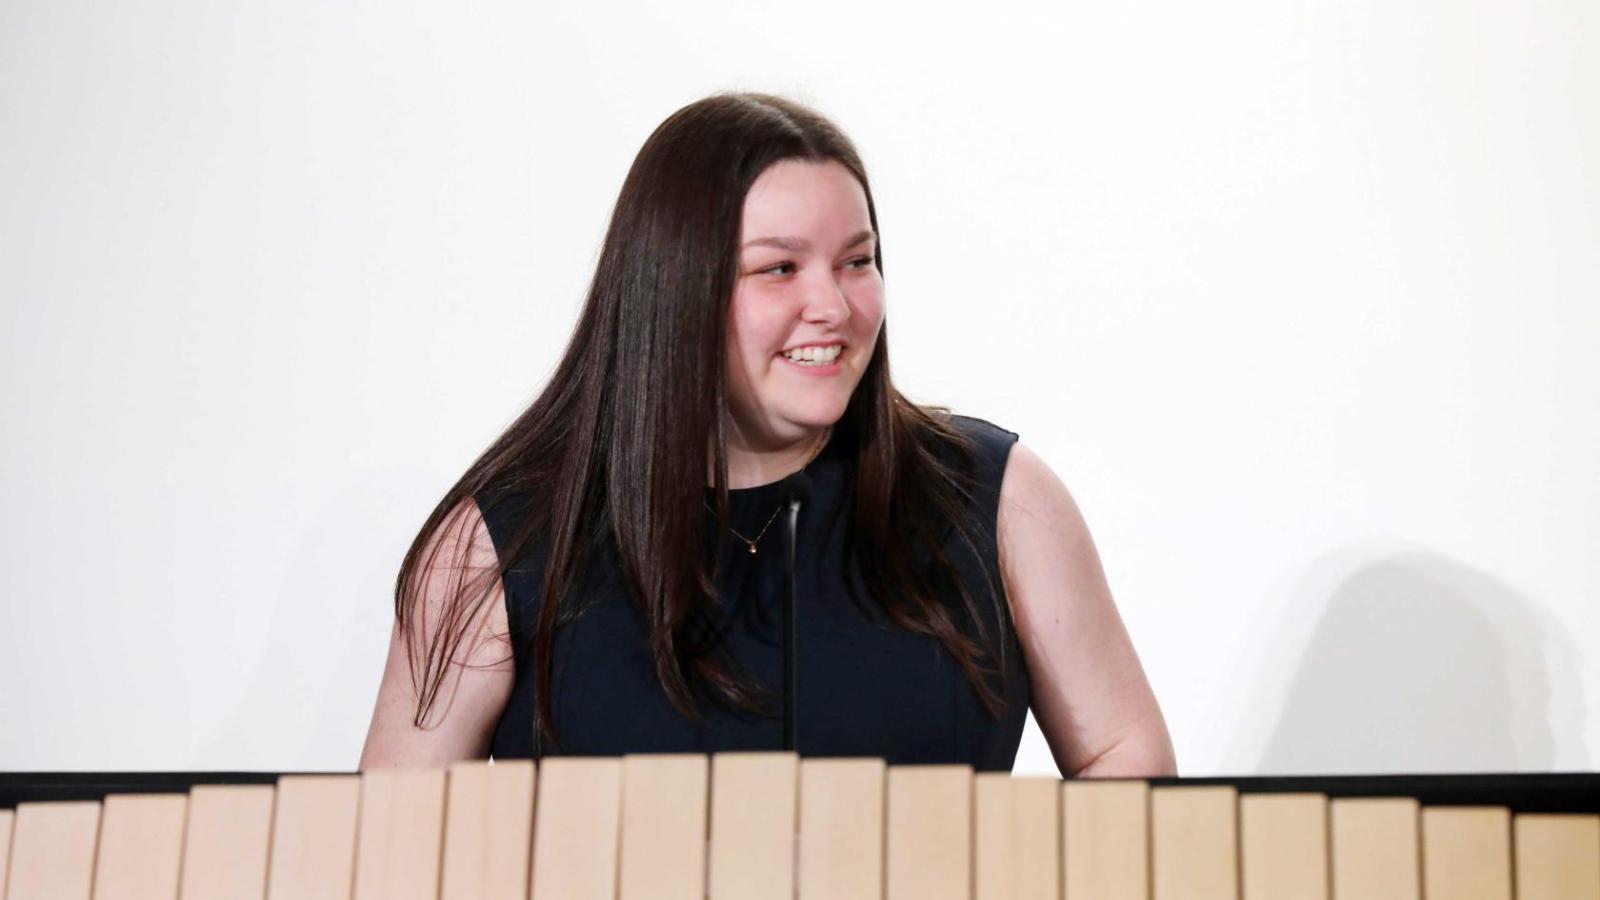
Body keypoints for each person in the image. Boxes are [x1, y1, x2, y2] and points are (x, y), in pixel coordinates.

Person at [360, 92, 1175, 777]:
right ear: (674, 289)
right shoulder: (500, 543)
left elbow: (1124, 756)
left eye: (856, 261)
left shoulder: (997, 498)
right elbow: (393, 855)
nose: (834, 306)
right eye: (779, 268)